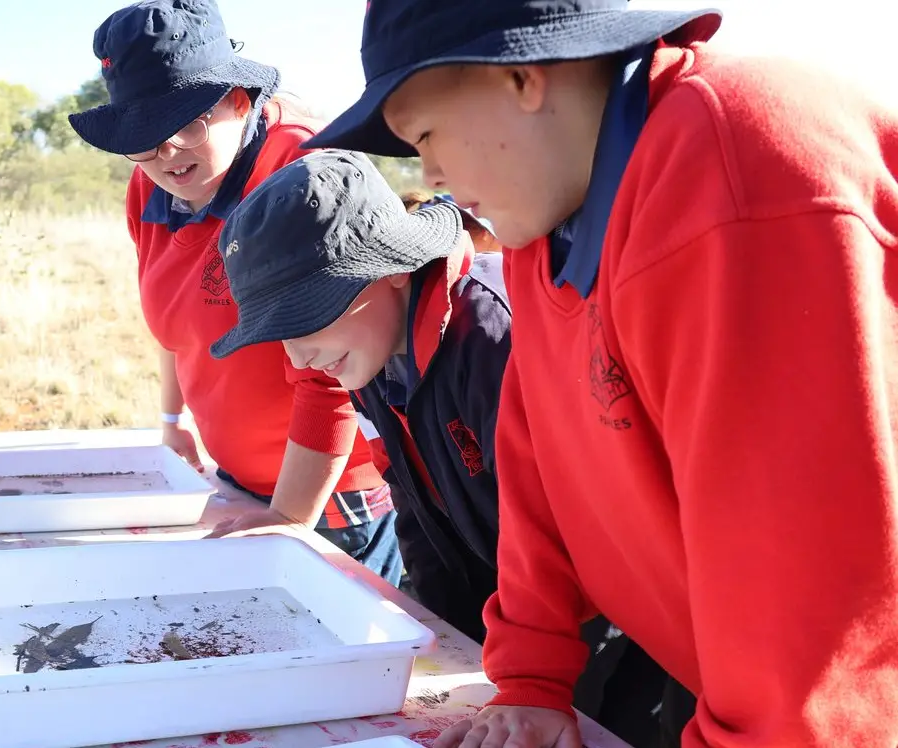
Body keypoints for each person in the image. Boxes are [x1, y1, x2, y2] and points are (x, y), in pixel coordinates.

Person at [305, 1, 898, 746]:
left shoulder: (736, 173)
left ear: (520, 73)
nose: (428, 174)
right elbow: (538, 460)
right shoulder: (546, 212)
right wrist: (532, 678)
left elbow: (815, 613)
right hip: (725, 672)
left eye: (424, 134)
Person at [210, 148, 675, 747]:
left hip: (592, 618)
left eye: (305, 323)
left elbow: (579, 528)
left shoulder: (497, 341)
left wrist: (530, 680)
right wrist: (435, 636)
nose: (297, 359)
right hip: (504, 611)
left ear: (392, 268)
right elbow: (412, 504)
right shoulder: (371, 355)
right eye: (279, 335)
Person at [67, 0, 403, 586]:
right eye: (142, 139)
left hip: (326, 500)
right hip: (239, 482)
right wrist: (173, 418)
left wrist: (285, 524)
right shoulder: (148, 182)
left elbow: (330, 383)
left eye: (186, 124)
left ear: (239, 99)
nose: (165, 153)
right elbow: (172, 322)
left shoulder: (301, 178)